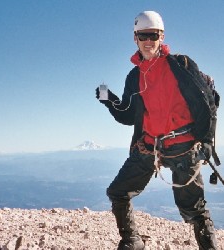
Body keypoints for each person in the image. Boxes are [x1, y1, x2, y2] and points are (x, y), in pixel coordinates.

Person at [96, 10, 218, 250]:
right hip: (149, 147)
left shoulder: (181, 65)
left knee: (192, 210)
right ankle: (132, 242)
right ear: (135, 38)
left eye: (153, 35)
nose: (148, 41)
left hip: (185, 147)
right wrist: (109, 99)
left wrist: (206, 141)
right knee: (118, 192)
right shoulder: (134, 76)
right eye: (143, 36)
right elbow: (129, 116)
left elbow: (207, 104)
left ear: (162, 36)